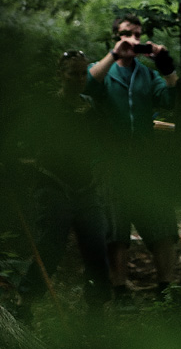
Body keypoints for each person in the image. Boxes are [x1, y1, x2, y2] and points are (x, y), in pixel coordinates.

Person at [85, 13, 179, 306]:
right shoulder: (103, 70)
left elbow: (172, 100)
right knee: (116, 229)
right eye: (127, 34)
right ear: (115, 36)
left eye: (137, 35)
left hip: (145, 162)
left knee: (162, 224)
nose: (133, 40)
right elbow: (87, 86)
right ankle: (119, 290)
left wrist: (166, 65)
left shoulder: (146, 75)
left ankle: (166, 289)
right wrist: (114, 55)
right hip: (110, 161)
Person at [17, 50, 111, 323]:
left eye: (83, 74)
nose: (79, 79)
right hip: (52, 184)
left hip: (86, 187)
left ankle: (96, 310)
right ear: (60, 75)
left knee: (96, 246)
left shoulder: (91, 108)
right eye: (73, 74)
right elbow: (24, 141)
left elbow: (105, 143)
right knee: (50, 246)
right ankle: (25, 303)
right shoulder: (46, 107)